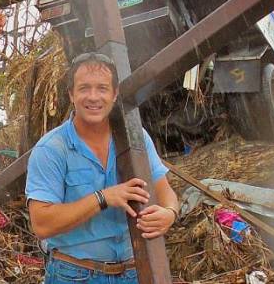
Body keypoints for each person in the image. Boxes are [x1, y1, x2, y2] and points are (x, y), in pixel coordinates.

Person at [27, 52, 179, 284]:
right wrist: (103, 198)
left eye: (102, 88)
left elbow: (165, 190)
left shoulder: (135, 138)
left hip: (134, 272)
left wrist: (170, 213)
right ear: (71, 94)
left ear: (115, 94)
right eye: (84, 88)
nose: (93, 97)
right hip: (75, 275)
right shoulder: (52, 149)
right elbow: (42, 224)